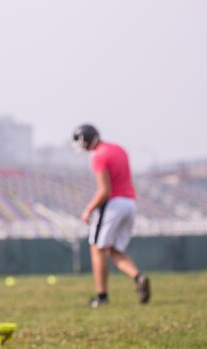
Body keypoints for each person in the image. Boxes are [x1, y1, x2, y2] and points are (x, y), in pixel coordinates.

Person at [72, 124, 150, 308]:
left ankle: (102, 296)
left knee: (97, 248)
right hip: (130, 203)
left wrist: (88, 210)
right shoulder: (118, 149)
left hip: (113, 205)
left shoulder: (98, 156)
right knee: (113, 250)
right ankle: (139, 278)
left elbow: (105, 191)